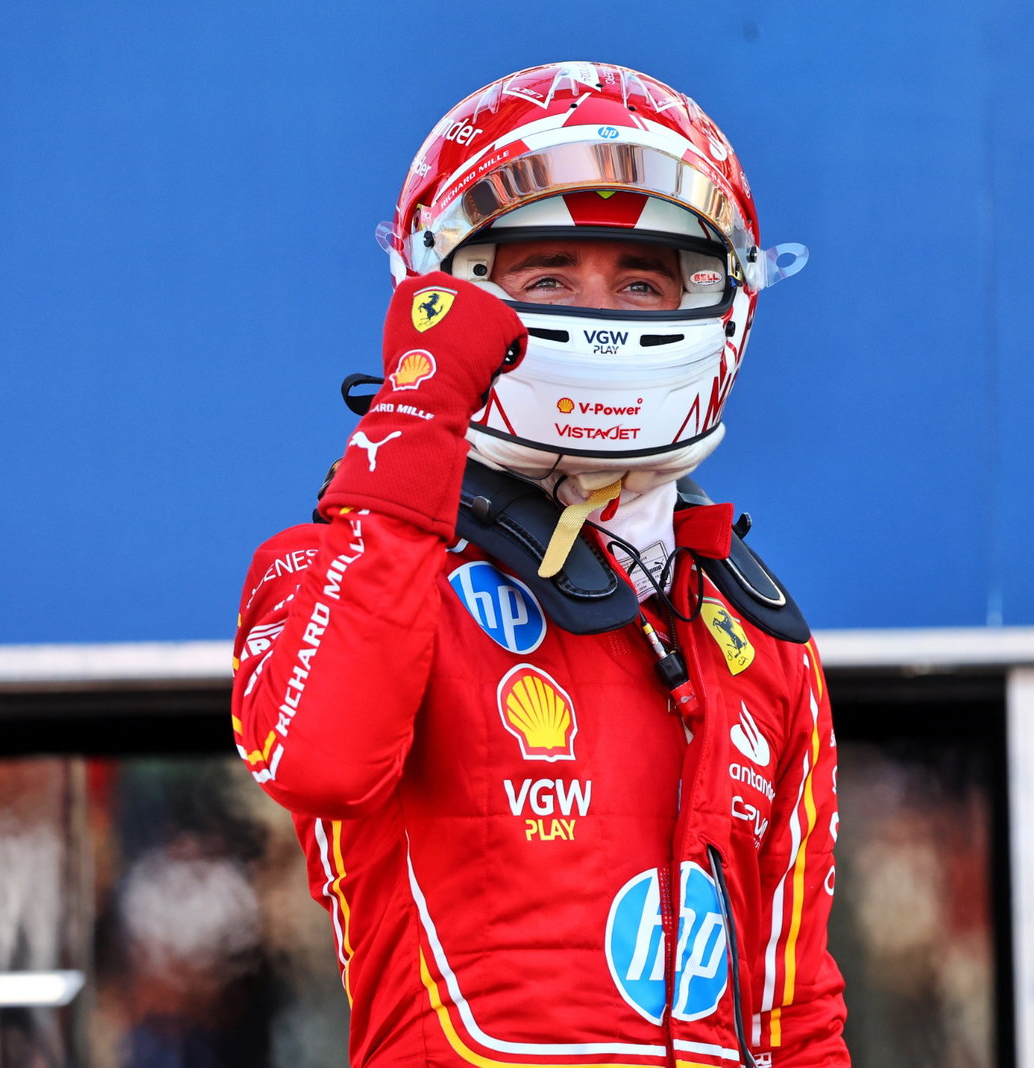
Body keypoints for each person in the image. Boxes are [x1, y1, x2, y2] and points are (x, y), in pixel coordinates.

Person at [230, 61, 848, 1067]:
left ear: (720, 302)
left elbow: (796, 1019)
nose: (600, 312)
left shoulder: (759, 639)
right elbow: (324, 762)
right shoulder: (339, 565)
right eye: (547, 274)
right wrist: (418, 409)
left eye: (641, 280)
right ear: (445, 287)